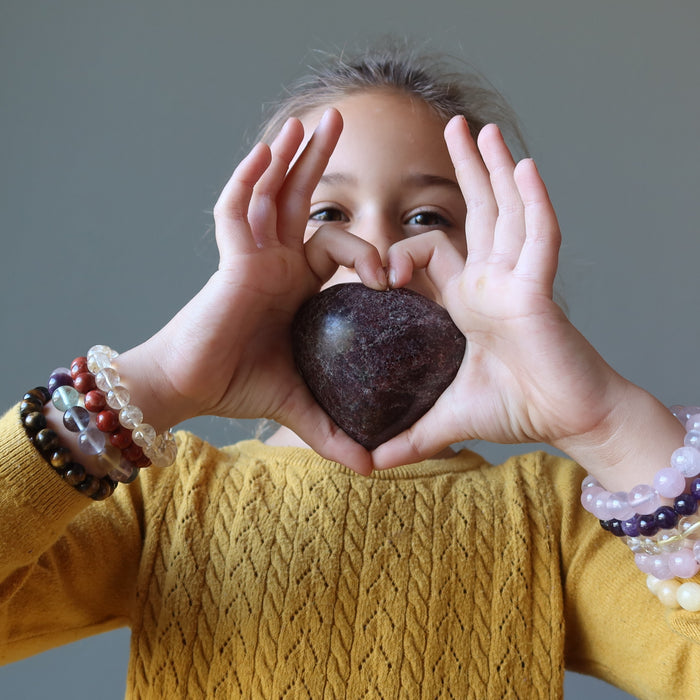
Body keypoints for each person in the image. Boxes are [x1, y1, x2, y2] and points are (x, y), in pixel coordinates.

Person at [1, 40, 699, 698]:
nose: (376, 251)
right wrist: (151, 386)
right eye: (329, 210)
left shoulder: (551, 524)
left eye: (427, 216)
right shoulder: (167, 503)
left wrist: (608, 425)